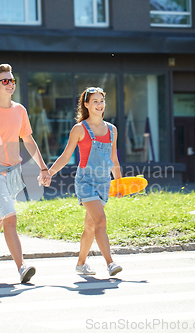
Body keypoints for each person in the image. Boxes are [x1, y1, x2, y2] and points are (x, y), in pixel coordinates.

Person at [0, 64, 51, 283]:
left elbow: (28, 140)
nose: (10, 84)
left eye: (12, 80)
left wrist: (43, 167)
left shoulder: (20, 110)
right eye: (5, 81)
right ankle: (22, 267)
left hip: (14, 172)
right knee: (10, 217)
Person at [46, 87, 123, 276]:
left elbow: (114, 160)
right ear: (86, 105)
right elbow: (65, 157)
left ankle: (81, 264)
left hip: (104, 182)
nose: (99, 105)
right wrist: (49, 173)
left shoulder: (112, 130)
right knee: (100, 220)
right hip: (86, 181)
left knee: (91, 225)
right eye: (95, 101)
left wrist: (119, 183)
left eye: (101, 101)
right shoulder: (80, 129)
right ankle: (110, 263)